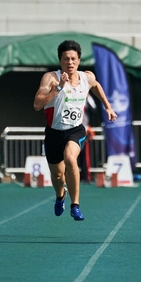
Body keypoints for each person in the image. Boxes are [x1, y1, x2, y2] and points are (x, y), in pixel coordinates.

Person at [33, 40, 117, 221]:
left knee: (71, 158)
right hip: (54, 133)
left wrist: (108, 107)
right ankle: (60, 196)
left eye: (73, 59)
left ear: (78, 60)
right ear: (60, 60)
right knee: (57, 176)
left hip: (75, 130)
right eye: (65, 59)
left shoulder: (86, 77)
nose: (69, 63)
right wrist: (58, 88)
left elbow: (96, 86)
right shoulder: (51, 78)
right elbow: (37, 104)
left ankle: (75, 205)